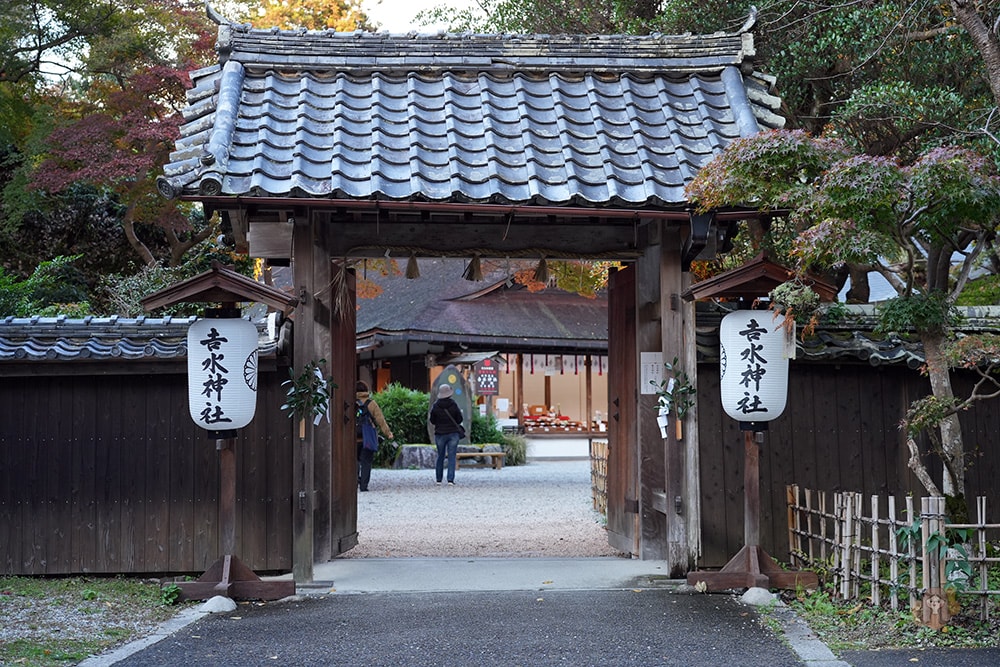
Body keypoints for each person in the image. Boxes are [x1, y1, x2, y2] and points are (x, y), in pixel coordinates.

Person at [356, 381, 393, 492]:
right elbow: (380, 420)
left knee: (354, 462)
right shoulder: (371, 403)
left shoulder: (351, 402)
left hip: (353, 439)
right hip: (367, 438)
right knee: (366, 462)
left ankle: (354, 482)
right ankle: (364, 486)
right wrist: (388, 433)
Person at [428, 384, 464, 486]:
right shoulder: (453, 404)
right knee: (452, 456)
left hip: (440, 434)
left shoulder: (436, 405)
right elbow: (459, 419)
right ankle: (450, 480)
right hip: (453, 434)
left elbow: (432, 420)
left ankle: (439, 479)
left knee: (440, 456)